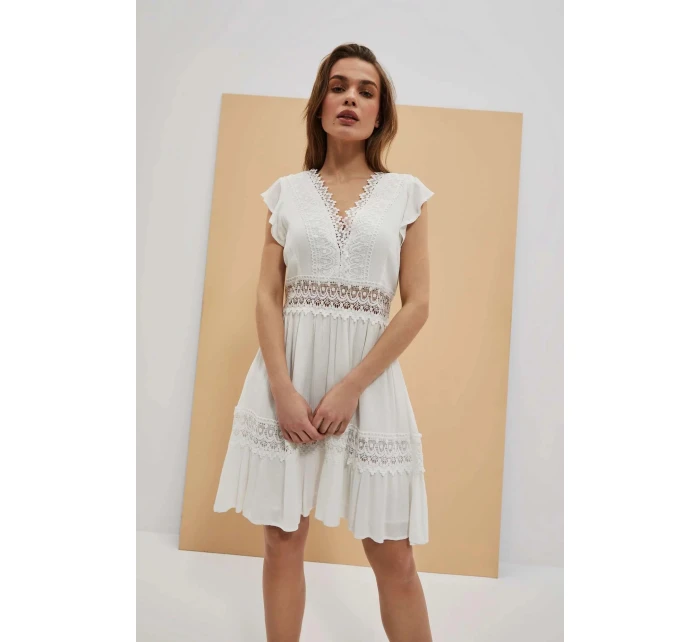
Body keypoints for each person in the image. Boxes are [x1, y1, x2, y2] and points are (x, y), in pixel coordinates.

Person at [214, 43, 435, 642]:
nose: (351, 99)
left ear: (381, 114)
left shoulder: (406, 194)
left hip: (368, 387)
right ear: (320, 103)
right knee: (282, 540)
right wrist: (282, 390)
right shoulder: (286, 193)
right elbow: (268, 297)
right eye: (339, 87)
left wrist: (350, 388)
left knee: (394, 554)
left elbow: (417, 305)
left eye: (366, 91)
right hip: (288, 380)